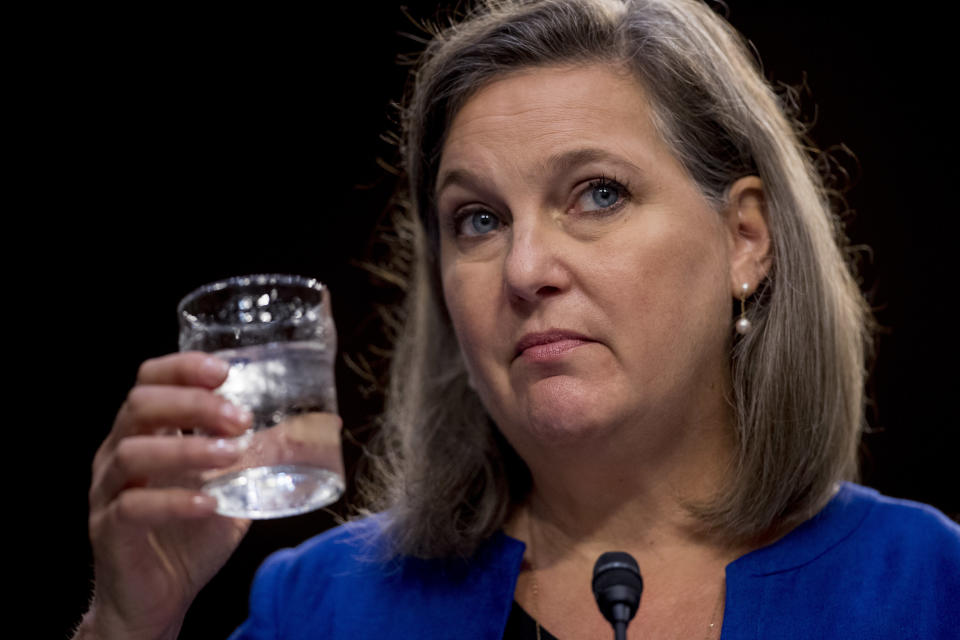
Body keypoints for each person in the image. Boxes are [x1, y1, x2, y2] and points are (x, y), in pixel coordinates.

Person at [74, 1, 960, 638]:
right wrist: (125, 623)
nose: (527, 270)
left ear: (745, 240)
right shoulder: (320, 607)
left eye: (598, 194)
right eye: (479, 221)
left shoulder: (931, 584)